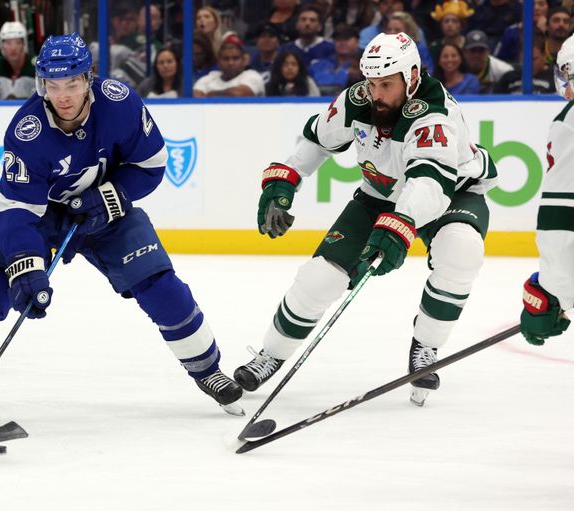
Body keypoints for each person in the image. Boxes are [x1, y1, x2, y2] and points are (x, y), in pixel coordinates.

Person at [0, 33, 243, 424]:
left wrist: (108, 198)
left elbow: (151, 167)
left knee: (160, 283)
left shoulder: (120, 104)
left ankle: (209, 370)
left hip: (106, 212)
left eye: (72, 83)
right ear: (41, 84)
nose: (63, 95)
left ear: (89, 79)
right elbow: (16, 208)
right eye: (53, 85)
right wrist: (26, 265)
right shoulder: (26, 130)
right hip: (41, 215)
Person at [234, 32, 498, 408]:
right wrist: (285, 178)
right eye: (371, 83)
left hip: (452, 192)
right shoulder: (359, 99)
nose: (376, 93)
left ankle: (426, 347)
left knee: (461, 250)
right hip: (381, 194)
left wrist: (399, 226)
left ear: (411, 76)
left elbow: (429, 185)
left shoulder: (435, 112)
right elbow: (317, 138)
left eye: (386, 85)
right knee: (320, 276)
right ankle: (270, 354)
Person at [520, 34, 574, 345]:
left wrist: (553, 292)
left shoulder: (569, 124)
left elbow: (561, 220)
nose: (565, 90)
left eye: (568, 78)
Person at [193, 36, 264, 98]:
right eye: (226, 59)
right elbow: (196, 97)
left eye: (235, 58)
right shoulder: (209, 78)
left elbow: (239, 94)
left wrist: (211, 94)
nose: (230, 63)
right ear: (218, 61)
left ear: (244, 60)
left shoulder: (252, 75)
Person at [0, 21, 35, 100]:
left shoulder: (37, 68)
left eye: (18, 42)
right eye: (8, 43)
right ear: (2, 45)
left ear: (24, 44)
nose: (13, 48)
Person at [463, 29, 513, 94]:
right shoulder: (457, 66)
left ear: (488, 51)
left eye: (481, 50)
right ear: (464, 52)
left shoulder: (503, 70)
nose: (477, 55)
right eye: (473, 50)